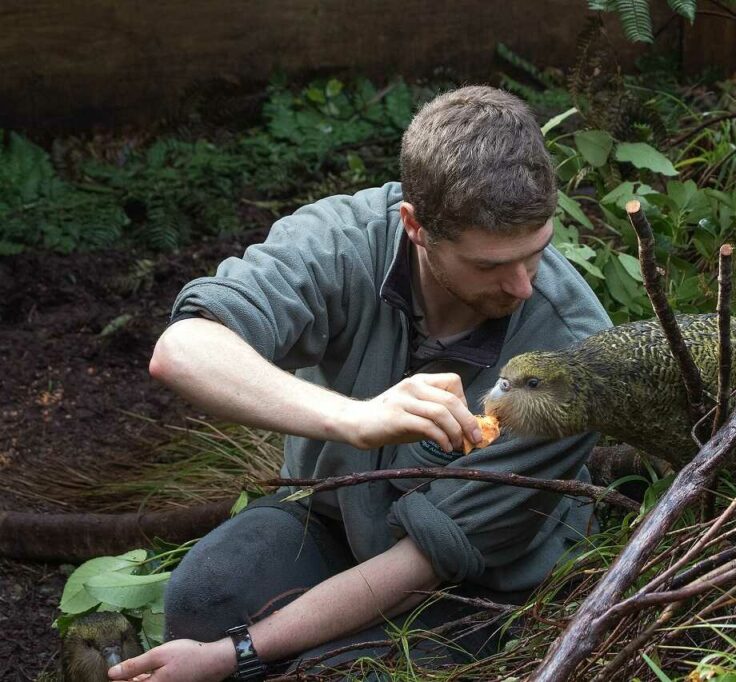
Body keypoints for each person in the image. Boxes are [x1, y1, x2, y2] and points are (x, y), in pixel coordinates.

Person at [108, 85, 611, 682]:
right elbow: (184, 349)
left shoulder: (570, 356)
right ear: (416, 227)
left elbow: (420, 567)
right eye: (490, 266)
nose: (522, 285)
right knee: (205, 598)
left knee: (339, 673)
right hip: (333, 521)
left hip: (477, 584)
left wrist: (232, 656)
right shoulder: (346, 241)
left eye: (535, 253)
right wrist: (355, 418)